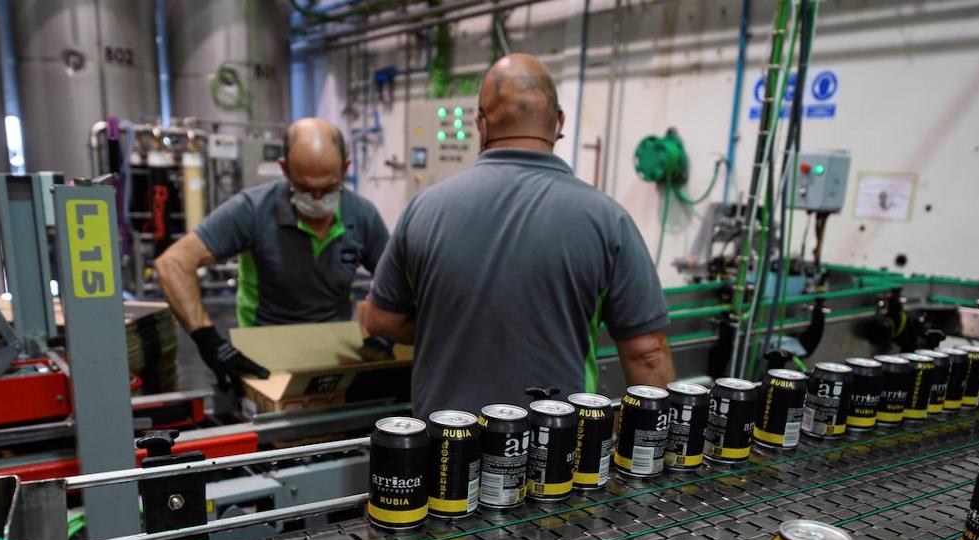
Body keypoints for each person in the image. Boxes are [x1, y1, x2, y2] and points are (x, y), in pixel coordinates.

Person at [363, 54, 675, 418]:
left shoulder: (423, 209)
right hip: (557, 440)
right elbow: (647, 354)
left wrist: (452, 326)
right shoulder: (608, 219)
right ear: (559, 122)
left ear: (480, 124)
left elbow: (381, 320)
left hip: (447, 439)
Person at [155, 118, 391, 393]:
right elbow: (173, 263)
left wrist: (386, 331)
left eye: (328, 188)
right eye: (305, 188)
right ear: (284, 169)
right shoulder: (253, 210)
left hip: (335, 351)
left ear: (345, 169)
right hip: (264, 353)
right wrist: (209, 340)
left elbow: (397, 279)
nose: (317, 198)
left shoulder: (362, 215)